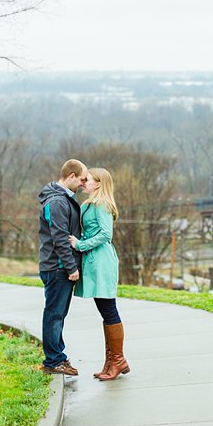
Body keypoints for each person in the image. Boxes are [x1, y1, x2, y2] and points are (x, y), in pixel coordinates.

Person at [69, 167, 130, 381]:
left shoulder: (102, 205)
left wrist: (81, 245)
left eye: (89, 180)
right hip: (94, 262)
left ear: (99, 184)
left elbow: (106, 234)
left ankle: (119, 360)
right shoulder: (89, 205)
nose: (84, 182)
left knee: (109, 310)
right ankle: (111, 361)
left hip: (102, 261)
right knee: (105, 311)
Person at [38, 159, 87, 376]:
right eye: (82, 179)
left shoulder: (63, 199)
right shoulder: (57, 202)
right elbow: (60, 238)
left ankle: (58, 356)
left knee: (58, 314)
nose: (83, 184)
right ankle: (52, 362)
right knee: (54, 314)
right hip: (57, 267)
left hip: (60, 267)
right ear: (71, 176)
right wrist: (71, 267)